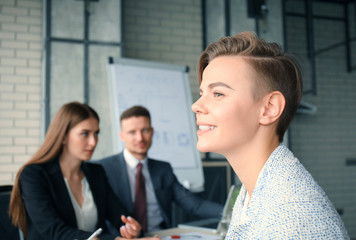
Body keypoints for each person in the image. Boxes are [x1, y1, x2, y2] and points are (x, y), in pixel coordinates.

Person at [191, 32, 349, 239]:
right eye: (202, 94)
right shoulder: (254, 193)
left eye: (218, 94)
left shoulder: (293, 219)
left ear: (269, 108)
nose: (196, 106)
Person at [9, 101, 159, 240]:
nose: (93, 142)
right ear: (63, 136)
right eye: (85, 134)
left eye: (96, 133)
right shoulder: (34, 175)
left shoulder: (96, 173)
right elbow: (54, 231)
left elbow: (121, 216)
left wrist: (133, 228)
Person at [97, 105, 223, 234]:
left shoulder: (163, 169)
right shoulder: (103, 168)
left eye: (145, 130)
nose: (140, 138)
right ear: (122, 136)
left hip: (160, 236)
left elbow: (195, 205)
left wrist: (230, 212)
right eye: (132, 132)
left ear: (152, 131)